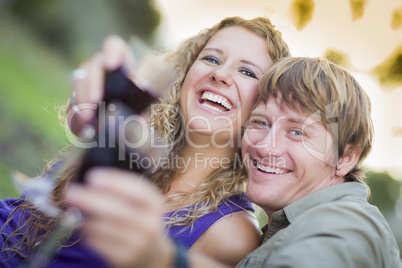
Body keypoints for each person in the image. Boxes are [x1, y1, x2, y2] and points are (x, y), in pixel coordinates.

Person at [0, 16, 290, 267]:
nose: (220, 75)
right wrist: (85, 102)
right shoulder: (138, 133)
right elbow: (83, 116)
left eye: (247, 72)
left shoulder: (232, 232)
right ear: (187, 72)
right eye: (212, 58)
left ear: (264, 105)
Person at [65, 57, 401, 268]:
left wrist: (164, 259)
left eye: (297, 133)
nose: (266, 146)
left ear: (346, 157)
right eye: (260, 122)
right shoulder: (285, 224)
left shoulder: (351, 224)